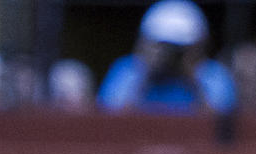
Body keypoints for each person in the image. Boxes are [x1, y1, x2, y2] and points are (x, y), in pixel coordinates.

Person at [99, 1, 237, 114]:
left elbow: (224, 128)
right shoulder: (128, 71)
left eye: (180, 49)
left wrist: (194, 80)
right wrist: (145, 74)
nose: (171, 55)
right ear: (144, 43)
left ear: (199, 46)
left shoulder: (214, 75)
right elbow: (107, 121)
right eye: (163, 46)